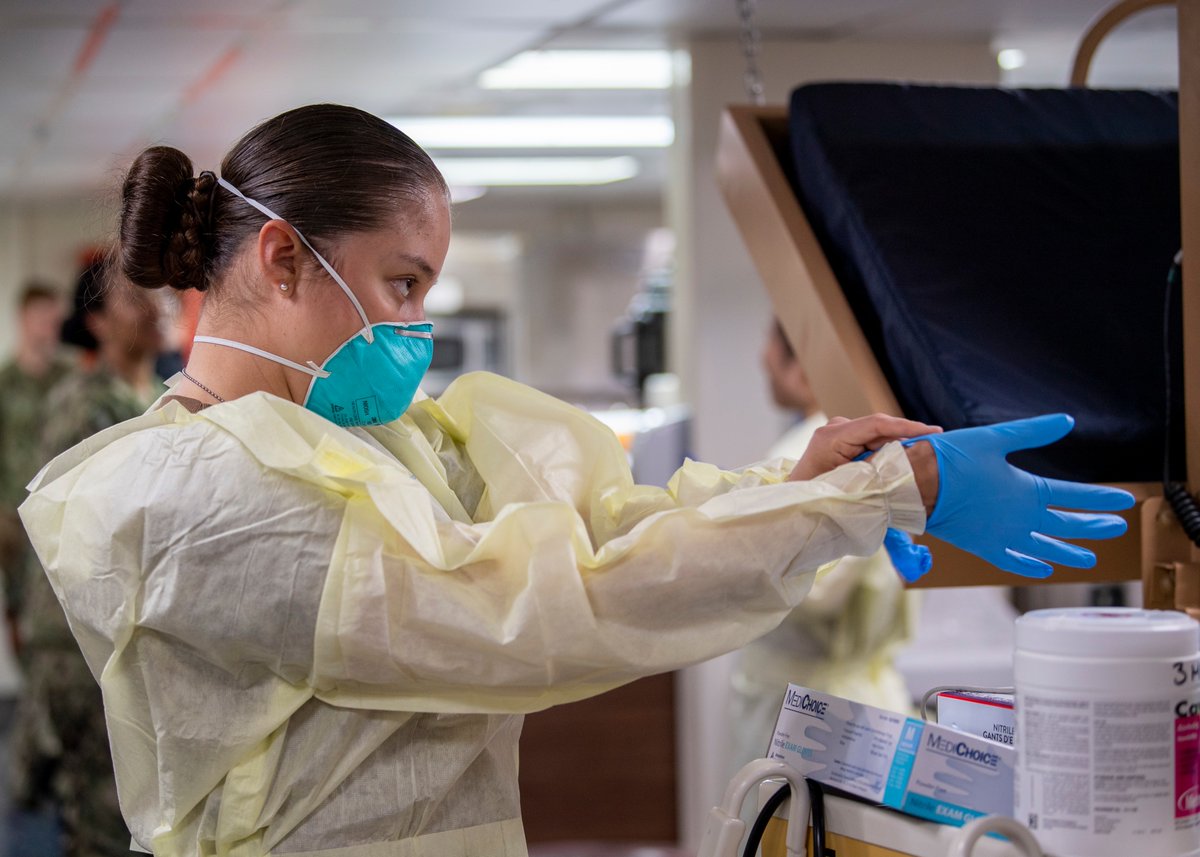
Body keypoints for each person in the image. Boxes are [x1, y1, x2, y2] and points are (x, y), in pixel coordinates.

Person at [17, 104, 1133, 857]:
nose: (413, 324)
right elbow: (534, 609)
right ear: (282, 257)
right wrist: (867, 504)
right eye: (400, 283)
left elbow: (600, 528)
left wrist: (793, 478)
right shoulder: (186, 501)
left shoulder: (373, 443)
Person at [9, 259, 163, 857]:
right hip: (80, 638)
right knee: (101, 816)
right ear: (97, 322)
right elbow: (82, 534)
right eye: (134, 299)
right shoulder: (83, 404)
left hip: (126, 627)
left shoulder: (156, 397)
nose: (154, 306)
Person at [726, 321, 915, 776]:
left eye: (770, 343)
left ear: (801, 363)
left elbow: (803, 588)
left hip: (810, 715)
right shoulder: (878, 444)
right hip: (857, 698)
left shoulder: (810, 453)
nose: (763, 358)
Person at [0, 282, 69, 640]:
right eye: (41, 317)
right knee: (17, 602)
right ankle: (29, 683)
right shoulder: (6, 382)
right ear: (23, 319)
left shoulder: (71, 377)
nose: (48, 326)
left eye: (54, 319)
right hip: (13, 514)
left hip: (61, 509)